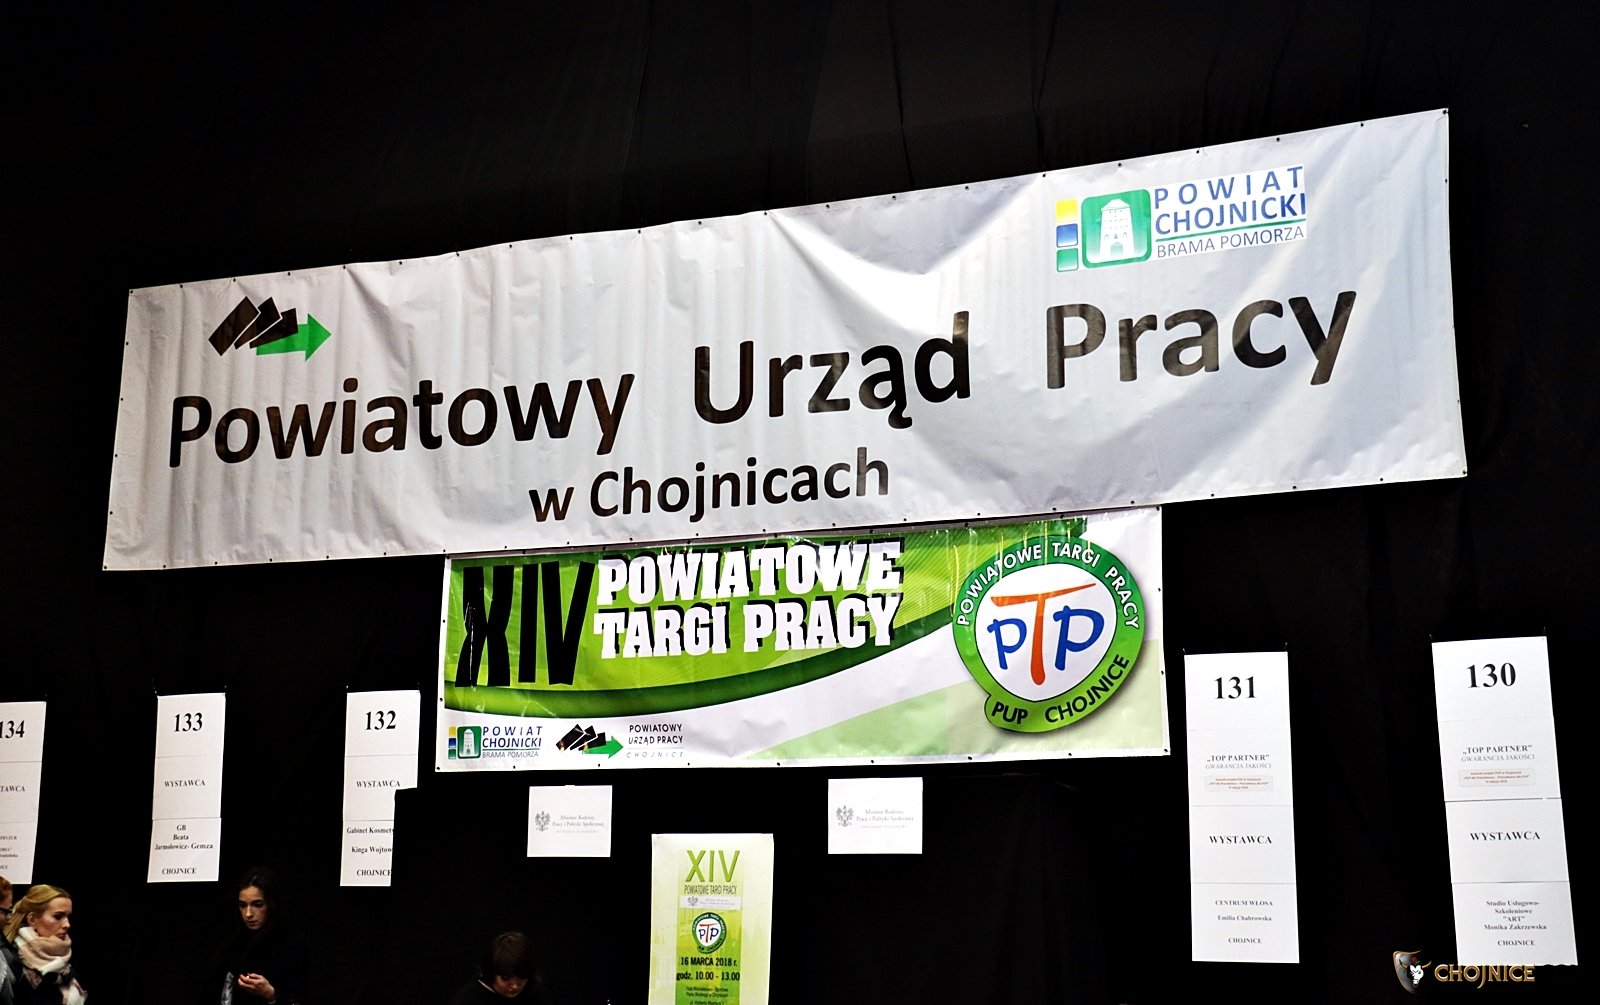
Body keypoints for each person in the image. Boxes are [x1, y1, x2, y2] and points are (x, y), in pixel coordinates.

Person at [206, 867, 305, 1005]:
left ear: (271, 904)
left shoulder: (289, 947)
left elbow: (299, 996)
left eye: (258, 905)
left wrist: (271, 994)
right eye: (242, 905)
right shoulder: (229, 942)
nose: (248, 914)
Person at [1, 883, 86, 1005]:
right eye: (58, 917)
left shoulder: (68, 956)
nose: (67, 924)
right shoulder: (11, 959)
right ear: (32, 919)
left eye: (68, 917)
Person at [448, 932, 552, 1004]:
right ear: (491, 973)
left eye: (521, 977)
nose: (515, 986)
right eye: (505, 978)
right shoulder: (467, 1000)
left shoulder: (537, 994)